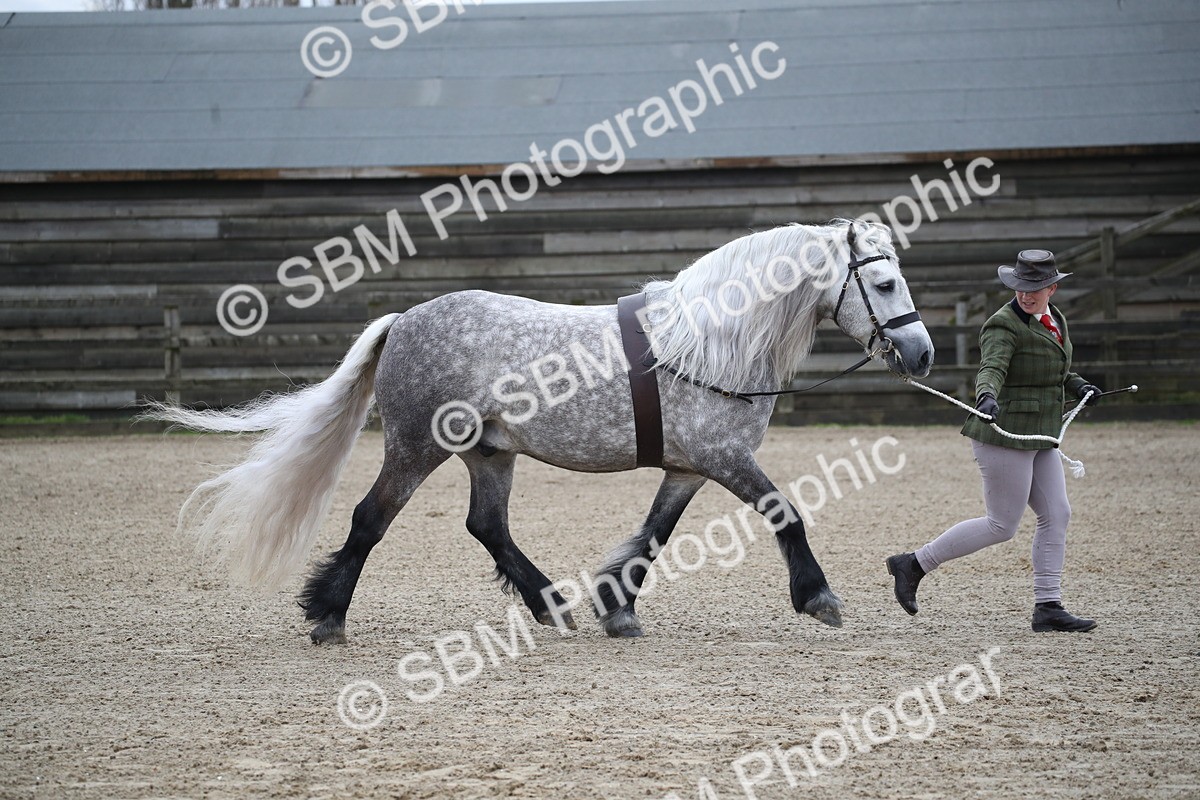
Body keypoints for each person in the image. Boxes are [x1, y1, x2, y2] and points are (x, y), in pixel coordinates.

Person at [886, 249, 1102, 632]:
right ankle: (914, 563)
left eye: (1035, 288)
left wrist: (1079, 383)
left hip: (1040, 433)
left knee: (1057, 514)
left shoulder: (1055, 319)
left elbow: (1055, 368)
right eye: (1020, 287)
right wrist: (986, 395)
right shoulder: (1002, 325)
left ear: (1052, 288)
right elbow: (993, 367)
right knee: (1002, 525)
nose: (1026, 295)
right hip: (1002, 433)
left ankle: (1048, 607)